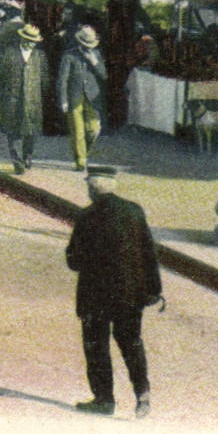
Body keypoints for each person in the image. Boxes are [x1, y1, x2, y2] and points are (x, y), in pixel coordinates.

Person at [66, 168, 163, 418]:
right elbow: (149, 254)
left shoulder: (86, 217)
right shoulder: (134, 211)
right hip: (130, 295)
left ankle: (104, 400)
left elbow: (74, 260)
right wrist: (154, 290)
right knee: (132, 343)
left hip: (95, 296)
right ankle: (142, 394)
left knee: (97, 346)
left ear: (91, 189)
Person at [0, 23, 47, 173]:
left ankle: (28, 155)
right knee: (12, 130)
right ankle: (16, 158)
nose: (31, 43)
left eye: (34, 41)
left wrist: (40, 95)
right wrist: (3, 94)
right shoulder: (9, 53)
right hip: (13, 98)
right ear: (22, 39)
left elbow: (44, 79)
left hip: (32, 99)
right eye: (28, 40)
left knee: (30, 130)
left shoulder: (39, 56)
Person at [57, 25, 107, 172]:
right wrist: (63, 99)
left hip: (92, 97)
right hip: (74, 97)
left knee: (94, 129)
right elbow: (62, 79)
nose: (88, 48)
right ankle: (80, 161)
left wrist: (95, 62)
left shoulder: (96, 54)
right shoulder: (69, 56)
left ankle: (84, 152)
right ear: (80, 43)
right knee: (77, 131)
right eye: (86, 45)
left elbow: (104, 75)